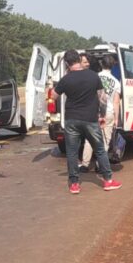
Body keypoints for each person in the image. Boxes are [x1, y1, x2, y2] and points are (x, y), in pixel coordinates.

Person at [52, 50, 122, 194]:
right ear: (79, 59)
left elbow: (53, 96)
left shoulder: (66, 79)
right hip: (90, 119)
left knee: (71, 152)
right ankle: (108, 180)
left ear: (67, 63)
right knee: (100, 149)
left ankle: (74, 184)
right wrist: (102, 115)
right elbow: (102, 98)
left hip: (71, 120)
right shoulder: (93, 76)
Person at [79, 55, 121, 172]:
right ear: (112, 66)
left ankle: (85, 165)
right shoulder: (116, 82)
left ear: (101, 65)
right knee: (105, 140)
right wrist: (116, 118)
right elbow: (116, 102)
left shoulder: (94, 77)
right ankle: (99, 164)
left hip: (93, 112)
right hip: (108, 113)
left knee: (89, 138)